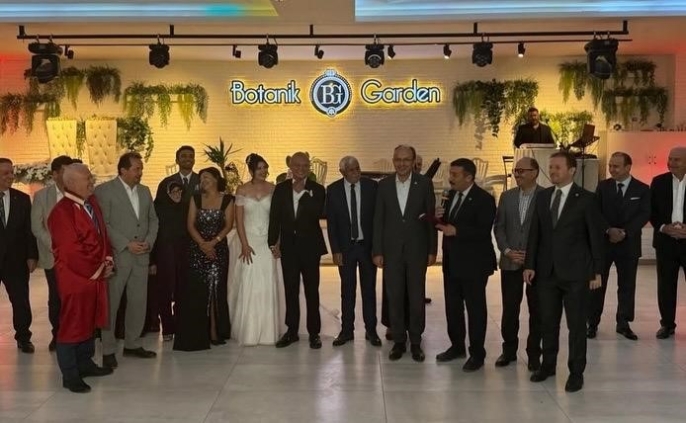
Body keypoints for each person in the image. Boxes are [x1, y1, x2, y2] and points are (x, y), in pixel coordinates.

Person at [524, 151, 603, 393]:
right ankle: (547, 366)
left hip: (576, 273)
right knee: (548, 322)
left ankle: (576, 373)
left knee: (576, 326)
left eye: (558, 167)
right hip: (546, 273)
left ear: (572, 170)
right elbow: (535, 233)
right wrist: (530, 264)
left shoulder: (587, 199)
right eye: (551, 167)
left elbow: (595, 238)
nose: (553, 171)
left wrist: (597, 271)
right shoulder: (543, 196)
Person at [48, 164, 114, 393]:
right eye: (87, 178)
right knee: (73, 324)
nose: (92, 181)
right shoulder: (61, 213)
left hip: (94, 276)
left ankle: (85, 364)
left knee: (89, 321)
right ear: (72, 183)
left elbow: (102, 235)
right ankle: (70, 375)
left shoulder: (91, 203)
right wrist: (98, 270)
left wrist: (108, 261)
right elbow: (70, 252)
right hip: (75, 279)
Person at [373, 145, 437, 362]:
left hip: (417, 250)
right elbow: (378, 219)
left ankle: (416, 341)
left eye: (406, 159)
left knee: (417, 297)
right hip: (391, 251)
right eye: (398, 159)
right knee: (395, 296)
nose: (402, 163)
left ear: (413, 161)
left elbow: (430, 218)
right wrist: (377, 250)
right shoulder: (384, 185)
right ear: (393, 160)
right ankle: (399, 340)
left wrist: (432, 249)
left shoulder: (424, 184)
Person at [95, 152, 159, 368]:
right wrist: (125, 243)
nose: (140, 172)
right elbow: (103, 224)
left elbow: (153, 220)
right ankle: (108, 349)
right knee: (111, 304)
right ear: (123, 170)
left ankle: (132, 344)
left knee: (138, 302)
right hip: (118, 256)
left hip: (141, 256)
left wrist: (149, 241)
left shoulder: (145, 191)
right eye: (136, 169)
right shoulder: (105, 191)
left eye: (141, 169)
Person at [435, 158, 497, 372]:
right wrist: (438, 218)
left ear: (469, 177)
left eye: (455, 175)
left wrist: (457, 231)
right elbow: (448, 224)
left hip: (474, 264)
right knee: (452, 307)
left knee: (475, 309)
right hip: (452, 261)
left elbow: (483, 230)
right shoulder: (451, 195)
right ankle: (457, 346)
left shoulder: (484, 199)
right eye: (450, 174)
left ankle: (477, 353)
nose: (450, 178)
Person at [268, 152, 327, 349]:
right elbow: (274, 217)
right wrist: (272, 242)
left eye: (305, 165)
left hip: (310, 247)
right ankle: (291, 331)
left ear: (309, 167)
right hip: (288, 247)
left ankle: (314, 333)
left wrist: (302, 193)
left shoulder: (317, 189)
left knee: (312, 291)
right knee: (291, 289)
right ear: (291, 167)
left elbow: (316, 213)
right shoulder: (281, 189)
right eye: (297, 165)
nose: (301, 169)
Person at [588, 152, 650, 340]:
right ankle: (592, 323)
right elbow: (595, 212)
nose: (612, 169)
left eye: (616, 166)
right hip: (604, 243)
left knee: (627, 285)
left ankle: (623, 323)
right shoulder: (603, 186)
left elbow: (644, 214)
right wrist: (609, 230)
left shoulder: (642, 189)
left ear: (628, 167)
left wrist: (624, 232)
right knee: (597, 284)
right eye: (610, 166)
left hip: (629, 244)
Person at [174, 167, 234, 351]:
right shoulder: (196, 198)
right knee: (198, 290)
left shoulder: (228, 199)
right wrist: (202, 244)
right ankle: (200, 332)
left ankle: (215, 331)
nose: (203, 181)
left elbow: (228, 225)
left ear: (216, 179)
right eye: (201, 179)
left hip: (218, 250)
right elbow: (190, 225)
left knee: (216, 289)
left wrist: (213, 243)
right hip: (197, 249)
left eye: (206, 177)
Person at [493, 157, 543, 370]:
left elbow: (548, 231)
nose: (517, 174)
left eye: (522, 170)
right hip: (510, 261)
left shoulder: (545, 196)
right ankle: (509, 350)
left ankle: (534, 354)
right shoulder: (507, 196)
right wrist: (507, 251)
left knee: (537, 310)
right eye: (516, 171)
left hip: (536, 264)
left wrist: (531, 254)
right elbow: (499, 227)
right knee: (510, 309)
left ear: (534, 172)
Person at [326, 156, 381, 347]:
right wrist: (335, 250)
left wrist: (378, 249)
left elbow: (378, 219)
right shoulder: (333, 190)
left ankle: (371, 331)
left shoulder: (371, 187)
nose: (356, 172)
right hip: (346, 248)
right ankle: (347, 331)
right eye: (351, 170)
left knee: (369, 290)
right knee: (347, 291)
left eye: (358, 168)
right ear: (342, 172)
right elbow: (332, 224)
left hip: (367, 247)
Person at [230, 154, 280, 346]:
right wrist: (244, 243)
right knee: (249, 279)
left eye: (265, 167)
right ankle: (249, 330)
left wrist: (277, 243)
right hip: (248, 239)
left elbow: (278, 220)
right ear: (251, 170)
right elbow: (239, 220)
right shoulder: (242, 190)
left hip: (267, 240)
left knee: (267, 280)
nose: (263, 171)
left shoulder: (273, 189)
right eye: (259, 168)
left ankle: (268, 331)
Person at [31, 155, 73, 351]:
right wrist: (55, 246)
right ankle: (58, 334)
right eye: (64, 171)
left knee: (75, 297)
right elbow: (37, 227)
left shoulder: (80, 193)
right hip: (53, 255)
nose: (69, 175)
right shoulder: (42, 196)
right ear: (55, 174)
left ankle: (77, 334)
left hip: (77, 257)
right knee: (56, 297)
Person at [0, 157, 38, 354]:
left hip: (16, 260)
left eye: (11, 172)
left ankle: (24, 337)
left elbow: (29, 231)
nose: (10, 176)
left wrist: (32, 256)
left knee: (21, 301)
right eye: (5, 173)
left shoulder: (22, 199)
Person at [650, 146, 686, 339]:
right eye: (670, 159)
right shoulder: (658, 182)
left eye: (677, 160)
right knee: (665, 286)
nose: (671, 163)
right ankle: (667, 325)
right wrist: (664, 227)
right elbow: (651, 211)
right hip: (666, 243)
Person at [148, 180, 186, 342]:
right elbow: (152, 236)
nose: (177, 195)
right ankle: (167, 328)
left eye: (180, 191)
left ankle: (180, 325)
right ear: (166, 193)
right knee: (164, 293)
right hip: (163, 257)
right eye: (173, 192)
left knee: (182, 292)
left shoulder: (184, 208)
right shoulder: (157, 209)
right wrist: (152, 261)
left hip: (182, 256)